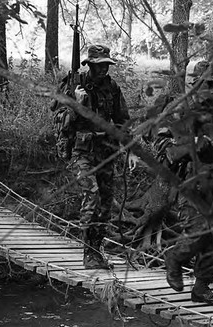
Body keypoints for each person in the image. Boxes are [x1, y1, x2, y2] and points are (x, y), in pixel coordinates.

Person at [159, 60, 213, 305]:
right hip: (191, 177)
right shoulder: (182, 108)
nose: (212, 89)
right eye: (207, 84)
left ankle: (201, 287)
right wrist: (194, 144)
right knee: (198, 229)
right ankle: (174, 259)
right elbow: (163, 144)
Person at [63, 44, 130, 270]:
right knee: (90, 195)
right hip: (81, 151)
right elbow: (61, 122)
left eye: (107, 66)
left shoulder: (113, 88)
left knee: (105, 202)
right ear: (90, 64)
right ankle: (87, 253)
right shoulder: (75, 85)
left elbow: (122, 119)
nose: (104, 70)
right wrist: (76, 104)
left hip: (105, 151)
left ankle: (96, 250)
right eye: (100, 66)